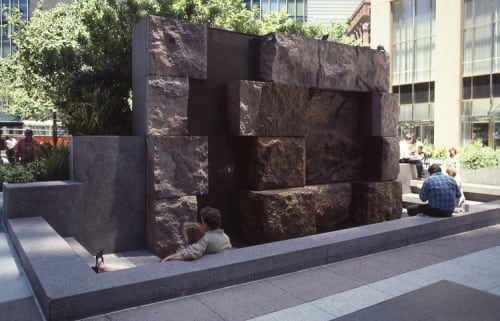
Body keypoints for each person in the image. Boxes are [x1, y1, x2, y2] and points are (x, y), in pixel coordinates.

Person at [92, 221, 205, 273]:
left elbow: (180, 257)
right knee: (131, 271)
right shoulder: (200, 245)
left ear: (189, 236)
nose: (183, 236)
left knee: (130, 272)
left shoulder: (191, 251)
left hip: (161, 273)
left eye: (184, 234)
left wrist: (166, 259)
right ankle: (100, 266)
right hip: (163, 269)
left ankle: (101, 266)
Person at [162, 207, 232, 261]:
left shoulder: (206, 238)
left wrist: (170, 258)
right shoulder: (226, 236)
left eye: (202, 221)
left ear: (206, 224)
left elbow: (193, 253)